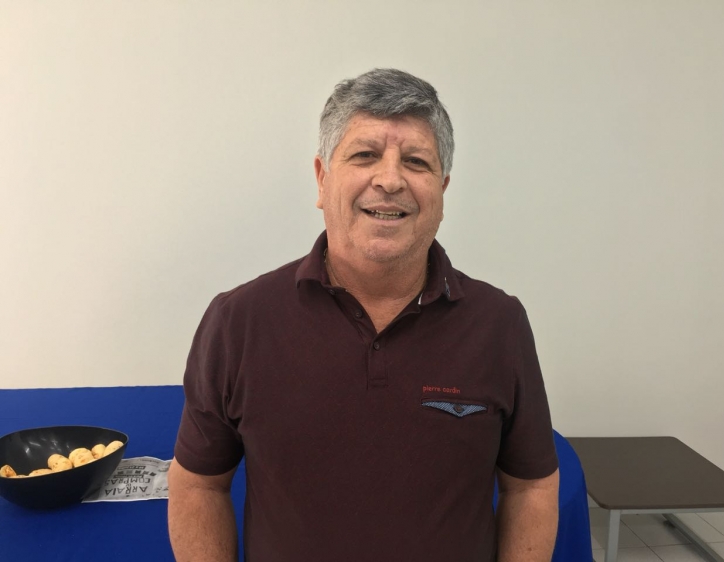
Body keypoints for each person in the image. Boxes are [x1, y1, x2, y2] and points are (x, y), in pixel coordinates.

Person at [167, 68, 559, 562]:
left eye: (416, 161)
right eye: (364, 155)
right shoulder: (238, 321)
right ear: (322, 179)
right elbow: (199, 484)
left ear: (442, 191)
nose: (390, 180)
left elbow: (531, 486)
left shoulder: (499, 324)